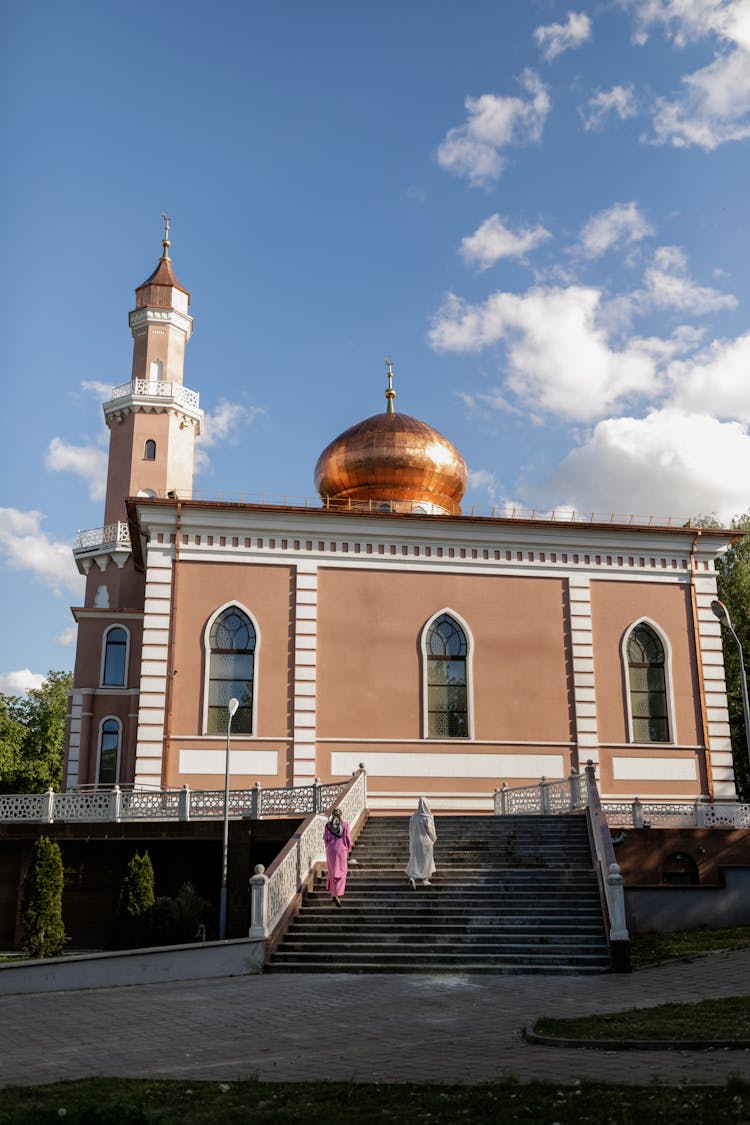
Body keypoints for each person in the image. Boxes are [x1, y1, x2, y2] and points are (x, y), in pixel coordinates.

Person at [323, 807, 352, 907]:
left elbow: (325, 839)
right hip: (341, 851)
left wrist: (328, 848)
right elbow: (348, 839)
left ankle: (333, 894)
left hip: (331, 851)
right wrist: (346, 847)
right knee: (342, 872)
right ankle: (337, 893)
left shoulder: (328, 826)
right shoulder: (345, 825)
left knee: (332, 872)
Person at [406, 796, 437, 888]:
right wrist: (434, 838)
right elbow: (430, 830)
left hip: (415, 841)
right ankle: (425, 879)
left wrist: (412, 840)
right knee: (426, 860)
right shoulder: (428, 817)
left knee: (415, 859)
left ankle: (412, 877)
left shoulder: (413, 817)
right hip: (425, 842)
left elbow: (410, 830)